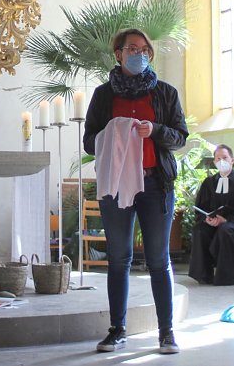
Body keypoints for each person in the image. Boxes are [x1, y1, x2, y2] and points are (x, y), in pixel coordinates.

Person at [84, 28, 188, 354]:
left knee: (158, 259)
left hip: (156, 182)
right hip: (116, 184)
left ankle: (167, 332)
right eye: (132, 48)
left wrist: (153, 130)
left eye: (144, 49)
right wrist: (115, 130)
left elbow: (180, 137)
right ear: (118, 53)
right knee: (118, 259)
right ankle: (117, 330)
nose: (139, 53)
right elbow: (89, 142)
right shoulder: (103, 95)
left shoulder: (165, 93)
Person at [188, 144, 234, 286]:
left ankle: (227, 277)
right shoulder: (208, 183)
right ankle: (204, 275)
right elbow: (201, 208)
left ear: (232, 160)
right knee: (200, 229)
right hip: (213, 225)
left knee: (225, 229)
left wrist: (225, 220)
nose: (222, 161)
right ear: (214, 162)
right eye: (218, 158)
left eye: (225, 158)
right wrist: (207, 219)